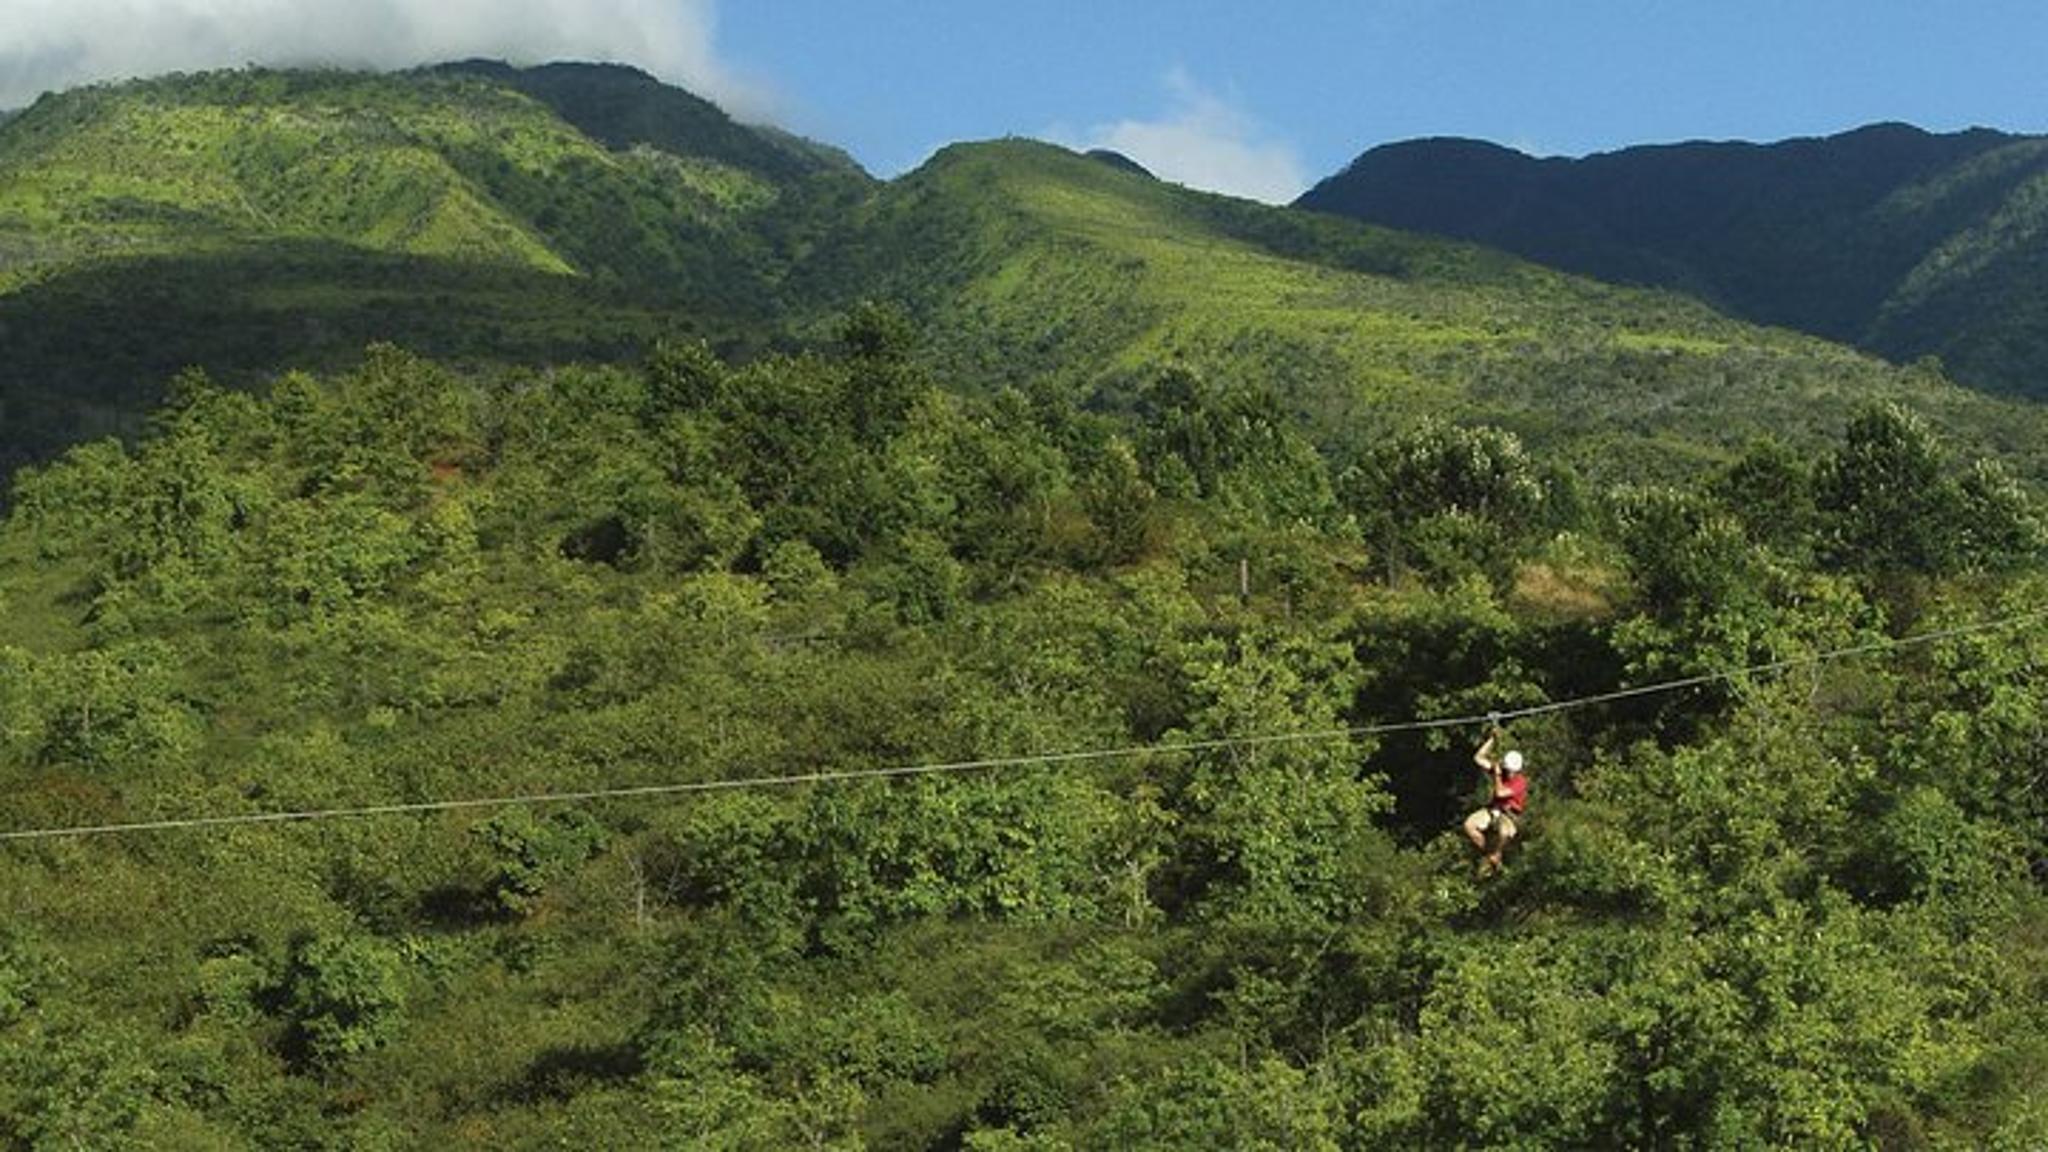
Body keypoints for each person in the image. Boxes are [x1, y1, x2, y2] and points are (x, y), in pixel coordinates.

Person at [1463, 722, 1527, 876]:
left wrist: (1497, 774)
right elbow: (1478, 758)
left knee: (1504, 833)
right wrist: (1491, 740)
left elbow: (1500, 793)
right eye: (1507, 770)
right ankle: (1489, 854)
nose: (1508, 773)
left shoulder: (1520, 782)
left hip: (1509, 815)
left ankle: (1496, 856)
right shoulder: (1501, 771)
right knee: (1469, 825)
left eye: (1510, 771)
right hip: (1493, 810)